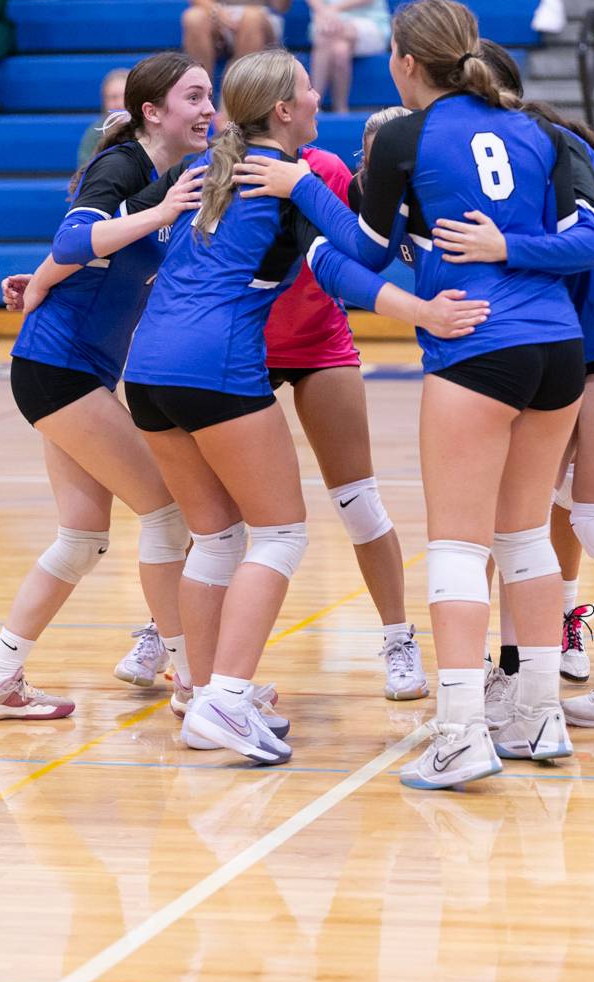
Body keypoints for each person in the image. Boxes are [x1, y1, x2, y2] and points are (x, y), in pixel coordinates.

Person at [233, 0, 594, 788]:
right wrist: (512, 245)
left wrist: (303, 189)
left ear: (406, 61)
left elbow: (364, 251)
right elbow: (593, 238)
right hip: (558, 351)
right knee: (526, 538)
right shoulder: (538, 127)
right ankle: (538, 716)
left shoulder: (407, 135)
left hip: (478, 348)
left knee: (457, 547)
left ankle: (461, 734)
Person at [120, 47, 490, 764]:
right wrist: (305, 187)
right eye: (306, 88)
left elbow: (330, 270)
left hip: (149, 367)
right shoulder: (289, 181)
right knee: (281, 536)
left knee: (217, 537)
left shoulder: (206, 169)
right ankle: (227, 699)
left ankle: (200, 693)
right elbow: (363, 255)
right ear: (284, 111)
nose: (319, 93)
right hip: (216, 363)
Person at [118, 133, 432, 714]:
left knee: (356, 502)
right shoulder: (215, 170)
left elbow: (348, 255)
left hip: (314, 343)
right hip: (235, 350)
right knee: (212, 518)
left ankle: (398, 639)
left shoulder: (318, 171)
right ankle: (176, 640)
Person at [0, 52, 213, 723]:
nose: (209, 109)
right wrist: (163, 211)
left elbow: (78, 251)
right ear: (153, 111)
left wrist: (36, 282)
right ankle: (194, 683)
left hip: (70, 366)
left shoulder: (160, 175)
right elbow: (78, 236)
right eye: (195, 97)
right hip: (59, 368)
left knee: (82, 540)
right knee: (165, 514)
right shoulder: (126, 163)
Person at [431, 40, 594, 728]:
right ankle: (518, 668)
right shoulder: (494, 153)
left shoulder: (549, 143)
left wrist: (509, 247)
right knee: (521, 517)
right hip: (556, 349)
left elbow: (584, 241)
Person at [76, 66, 129, 166]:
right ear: (104, 102)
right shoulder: (95, 134)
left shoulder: (148, 129)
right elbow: (84, 172)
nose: (120, 103)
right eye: (113, 97)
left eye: (124, 96)